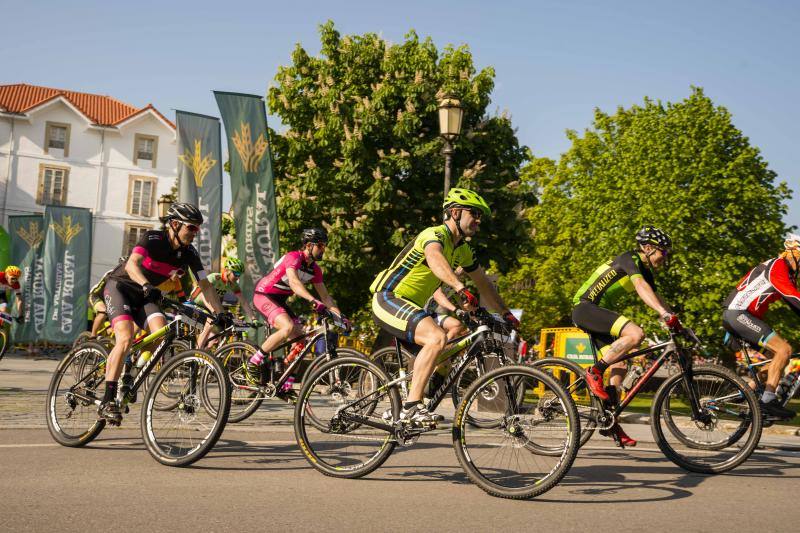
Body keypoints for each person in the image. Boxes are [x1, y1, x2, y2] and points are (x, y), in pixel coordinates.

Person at [369, 188, 519, 426]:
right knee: (437, 337)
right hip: (389, 297)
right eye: (475, 214)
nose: (478, 220)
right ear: (455, 212)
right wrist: (459, 287)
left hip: (414, 306)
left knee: (444, 348)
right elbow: (435, 259)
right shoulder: (434, 235)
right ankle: (411, 407)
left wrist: (505, 313)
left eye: (481, 216)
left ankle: (406, 407)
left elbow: (484, 284)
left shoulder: (463, 250)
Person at [98, 203, 229, 423]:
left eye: (198, 229)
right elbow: (132, 265)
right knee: (126, 336)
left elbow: (205, 286)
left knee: (160, 335)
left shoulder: (189, 254)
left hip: (145, 297)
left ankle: (130, 373)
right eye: (192, 228)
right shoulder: (152, 239)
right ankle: (107, 400)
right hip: (121, 287)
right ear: (175, 224)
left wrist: (221, 313)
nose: (195, 234)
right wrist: (147, 284)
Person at [573, 226, 678, 447]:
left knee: (620, 365)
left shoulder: (645, 270)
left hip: (598, 312)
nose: (665, 258)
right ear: (648, 248)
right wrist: (664, 314)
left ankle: (610, 420)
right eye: (663, 252)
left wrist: (676, 321)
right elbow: (640, 286)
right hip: (586, 308)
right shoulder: (629, 258)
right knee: (636, 333)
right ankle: (595, 372)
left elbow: (655, 295)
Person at [248, 228, 347, 398]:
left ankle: (285, 386)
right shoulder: (293, 257)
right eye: (321, 246)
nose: (323, 249)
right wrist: (313, 301)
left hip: (280, 301)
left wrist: (341, 316)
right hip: (264, 295)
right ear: (309, 245)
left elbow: (326, 297)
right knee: (287, 327)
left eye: (324, 246)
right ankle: (253, 363)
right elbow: (294, 282)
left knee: (302, 341)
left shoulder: (315, 270)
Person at [721, 233, 800, 420]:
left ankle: (745, 393)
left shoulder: (786, 273)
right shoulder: (777, 266)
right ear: (792, 253)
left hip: (741, 316)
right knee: (785, 350)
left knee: (777, 358)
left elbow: (793, 304)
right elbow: (793, 297)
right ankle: (767, 401)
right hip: (738, 314)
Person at [191, 256, 256, 348]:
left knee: (235, 324)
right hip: (196, 304)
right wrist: (213, 311)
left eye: (239, 274)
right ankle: (197, 354)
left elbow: (244, 302)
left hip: (211, 308)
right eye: (236, 273)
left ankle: (213, 352)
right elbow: (202, 295)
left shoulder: (233, 285)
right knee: (210, 321)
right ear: (227, 270)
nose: (238, 277)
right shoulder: (214, 277)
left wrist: (253, 319)